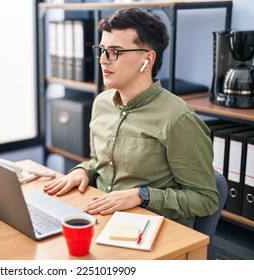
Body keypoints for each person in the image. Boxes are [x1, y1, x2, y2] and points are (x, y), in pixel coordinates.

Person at [44, 8, 219, 228]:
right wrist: (83, 170)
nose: (104, 61)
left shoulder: (178, 119)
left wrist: (142, 195)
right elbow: (100, 163)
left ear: (147, 59)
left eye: (115, 51)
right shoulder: (102, 103)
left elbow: (206, 199)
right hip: (102, 217)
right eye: (102, 50)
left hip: (152, 229)